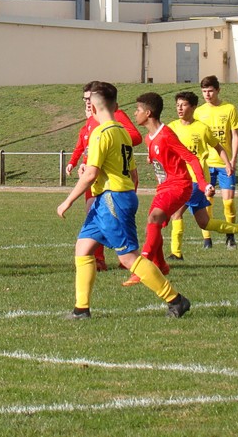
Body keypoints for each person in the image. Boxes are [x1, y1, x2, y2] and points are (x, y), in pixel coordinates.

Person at [56, 82, 190, 319]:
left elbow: (90, 174)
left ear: (94, 109)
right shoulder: (122, 132)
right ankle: (81, 309)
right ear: (116, 106)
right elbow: (133, 172)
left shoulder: (101, 133)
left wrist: (67, 201)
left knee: (128, 257)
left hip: (111, 199)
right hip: (109, 199)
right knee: (83, 248)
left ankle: (176, 299)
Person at [167, 91, 238, 259]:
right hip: (181, 179)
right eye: (177, 105)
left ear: (193, 107)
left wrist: (228, 163)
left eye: (183, 105)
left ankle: (176, 253)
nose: (179, 108)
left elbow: (218, 147)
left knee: (176, 213)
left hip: (195, 181)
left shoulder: (201, 128)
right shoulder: (172, 127)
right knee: (204, 222)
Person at [66, 81, 143, 272]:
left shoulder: (112, 121)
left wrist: (67, 201)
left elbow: (134, 137)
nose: (86, 102)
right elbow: (83, 145)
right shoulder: (90, 123)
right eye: (84, 98)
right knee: (88, 233)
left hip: (111, 184)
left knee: (123, 247)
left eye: (89, 98)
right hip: (99, 181)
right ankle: (97, 262)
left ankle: (168, 291)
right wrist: (76, 162)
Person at [194, 75, 238, 249]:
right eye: (204, 91)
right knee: (207, 202)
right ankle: (207, 240)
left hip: (224, 164)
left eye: (210, 91)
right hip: (206, 164)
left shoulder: (229, 109)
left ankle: (230, 236)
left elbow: (235, 135)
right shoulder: (199, 112)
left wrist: (233, 159)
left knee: (228, 202)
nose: (207, 94)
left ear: (218, 90)